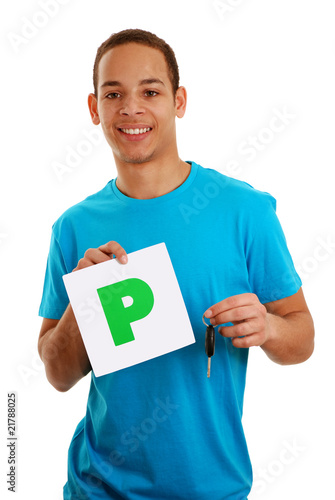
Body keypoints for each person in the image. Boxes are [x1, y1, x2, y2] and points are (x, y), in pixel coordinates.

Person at [38, 29, 314, 500]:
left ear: (178, 101)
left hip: (212, 489)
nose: (131, 108)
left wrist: (268, 326)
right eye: (113, 94)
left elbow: (302, 335)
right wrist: (80, 308)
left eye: (150, 91)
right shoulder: (73, 227)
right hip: (96, 489)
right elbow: (57, 374)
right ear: (94, 108)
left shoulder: (244, 211)